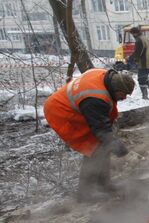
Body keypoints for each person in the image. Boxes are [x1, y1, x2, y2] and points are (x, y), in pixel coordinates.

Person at [43, 68, 135, 202]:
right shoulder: (95, 99)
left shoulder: (106, 78)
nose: (124, 98)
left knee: (104, 144)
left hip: (76, 105)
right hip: (61, 112)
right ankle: (85, 194)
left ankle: (104, 184)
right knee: (95, 147)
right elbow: (101, 130)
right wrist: (121, 150)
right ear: (115, 89)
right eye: (123, 94)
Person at [128, 26, 149, 100]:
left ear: (134, 33)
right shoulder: (145, 38)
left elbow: (138, 53)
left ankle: (145, 97)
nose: (132, 36)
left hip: (144, 63)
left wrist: (130, 58)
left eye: (132, 34)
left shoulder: (139, 40)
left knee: (141, 79)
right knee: (144, 78)